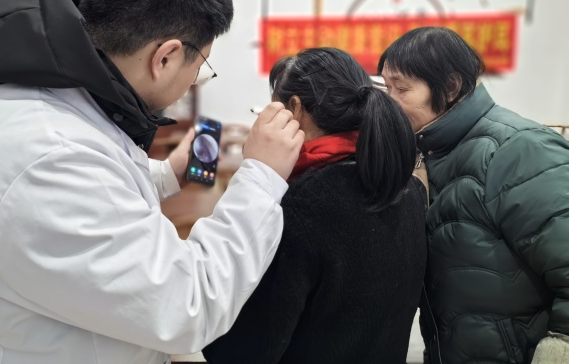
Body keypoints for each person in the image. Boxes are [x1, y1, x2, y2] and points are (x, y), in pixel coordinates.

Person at [0, 0, 304, 364]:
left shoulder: (35, 91)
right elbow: (187, 303)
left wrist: (165, 174)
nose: (193, 82)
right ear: (165, 58)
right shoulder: (50, 155)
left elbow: (96, 191)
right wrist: (260, 178)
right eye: (200, 68)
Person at [202, 47, 427, 364]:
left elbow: (240, 351)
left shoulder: (300, 204)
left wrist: (255, 174)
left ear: (294, 109)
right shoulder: (409, 189)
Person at [378, 26, 569, 364]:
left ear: (451, 87)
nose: (389, 102)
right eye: (386, 87)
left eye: (402, 89)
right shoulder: (429, 152)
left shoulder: (518, 149)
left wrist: (559, 349)